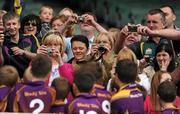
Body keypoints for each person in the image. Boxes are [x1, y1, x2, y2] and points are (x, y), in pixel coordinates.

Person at [0, 12, 38, 77]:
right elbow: (1, 64)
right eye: (8, 24)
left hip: (30, 77)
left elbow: (38, 58)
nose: (11, 27)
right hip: (11, 80)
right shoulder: (3, 42)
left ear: (19, 25)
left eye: (14, 24)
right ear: (4, 26)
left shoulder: (30, 38)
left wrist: (23, 52)